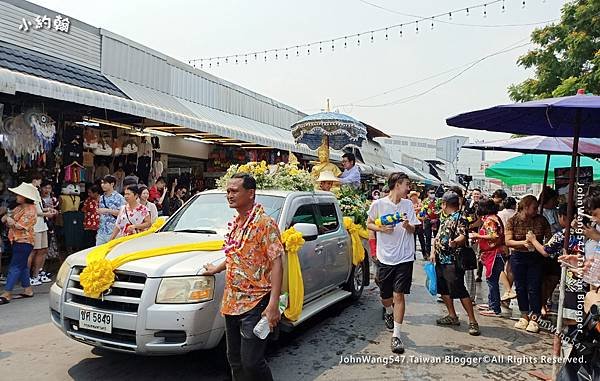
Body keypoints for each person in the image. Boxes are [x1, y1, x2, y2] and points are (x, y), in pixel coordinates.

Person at [202, 173, 284, 381]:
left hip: (256, 301)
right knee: (235, 360)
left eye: (234, 191)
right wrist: (217, 268)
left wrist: (273, 304)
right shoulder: (236, 223)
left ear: (250, 193)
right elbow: (236, 253)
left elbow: (277, 262)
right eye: (228, 191)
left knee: (252, 362)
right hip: (231, 301)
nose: (229, 195)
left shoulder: (265, 223)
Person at [367, 172, 420, 353]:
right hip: (385, 257)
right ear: (397, 184)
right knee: (386, 296)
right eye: (406, 184)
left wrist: (408, 226)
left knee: (399, 295)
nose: (408, 187)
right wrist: (381, 228)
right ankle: (388, 312)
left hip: (405, 257)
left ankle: (396, 336)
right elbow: (369, 224)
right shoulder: (379, 204)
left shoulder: (408, 205)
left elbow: (414, 228)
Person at [430, 191, 481, 336]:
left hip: (452, 260)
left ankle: (472, 321)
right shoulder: (445, 218)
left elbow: (462, 236)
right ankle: (452, 315)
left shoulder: (460, 218)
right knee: (444, 290)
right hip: (440, 259)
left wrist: (454, 242)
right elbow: (439, 235)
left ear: (445, 204)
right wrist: (433, 252)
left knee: (459, 290)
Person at [526, 203, 582, 322]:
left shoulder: (563, 234)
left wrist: (533, 239)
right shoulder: (586, 232)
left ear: (562, 216)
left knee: (571, 314)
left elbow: (545, 251)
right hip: (583, 275)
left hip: (572, 275)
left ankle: (569, 336)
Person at [505, 195, 551, 333]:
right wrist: (523, 243)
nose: (536, 210)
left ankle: (534, 317)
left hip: (536, 257)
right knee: (520, 287)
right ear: (525, 207)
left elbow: (549, 238)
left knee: (534, 286)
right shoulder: (513, 220)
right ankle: (524, 315)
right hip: (518, 256)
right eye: (534, 207)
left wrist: (541, 246)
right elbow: (508, 241)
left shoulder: (541, 220)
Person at [0, 183, 38, 304]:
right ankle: (28, 289)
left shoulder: (31, 210)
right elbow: (6, 218)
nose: (16, 196)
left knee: (15, 266)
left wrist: (9, 219)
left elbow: (19, 225)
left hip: (25, 241)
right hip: (17, 240)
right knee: (22, 266)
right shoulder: (20, 207)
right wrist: (8, 219)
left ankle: (7, 293)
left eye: (19, 195)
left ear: (25, 196)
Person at [470, 200, 505, 317]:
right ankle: (492, 304)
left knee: (492, 281)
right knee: (491, 280)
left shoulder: (490, 220)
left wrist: (477, 235)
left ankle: (495, 308)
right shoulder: (494, 218)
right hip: (495, 253)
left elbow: (493, 235)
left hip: (494, 254)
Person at [29, 173, 57, 286]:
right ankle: (29, 276)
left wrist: (48, 209)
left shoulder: (36, 192)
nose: (40, 184)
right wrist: (46, 213)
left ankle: (37, 274)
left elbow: (39, 208)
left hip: (42, 225)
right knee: (33, 251)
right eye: (40, 181)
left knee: (43, 250)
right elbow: (33, 210)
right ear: (35, 180)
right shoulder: (30, 192)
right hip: (35, 225)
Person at [96, 175, 126, 245]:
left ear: (112, 184)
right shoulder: (101, 197)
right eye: (102, 183)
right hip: (101, 231)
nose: (102, 185)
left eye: (105, 183)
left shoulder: (119, 197)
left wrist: (107, 210)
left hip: (114, 232)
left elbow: (123, 213)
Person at [498, 197, 517, 302]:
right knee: (510, 269)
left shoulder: (499, 214)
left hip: (502, 244)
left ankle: (508, 291)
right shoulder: (516, 215)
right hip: (514, 244)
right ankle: (507, 293)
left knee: (499, 267)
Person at [421, 188, 439, 258]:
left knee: (436, 238)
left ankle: (436, 253)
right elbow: (422, 211)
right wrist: (425, 216)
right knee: (428, 238)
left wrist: (436, 219)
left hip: (436, 221)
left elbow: (441, 211)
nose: (432, 194)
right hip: (428, 221)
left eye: (433, 192)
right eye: (431, 192)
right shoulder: (425, 201)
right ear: (428, 193)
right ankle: (427, 253)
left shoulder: (438, 201)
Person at [409, 190, 427, 259]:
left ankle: (424, 254)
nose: (414, 197)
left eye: (415, 196)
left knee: (422, 239)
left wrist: (416, 209)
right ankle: (413, 255)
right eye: (412, 196)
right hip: (413, 224)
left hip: (419, 224)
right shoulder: (409, 204)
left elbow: (423, 210)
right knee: (412, 240)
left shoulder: (420, 203)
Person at [82, 184, 100, 248]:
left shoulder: (103, 199)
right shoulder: (88, 200)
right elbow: (84, 211)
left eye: (90, 192)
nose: (88, 194)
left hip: (99, 225)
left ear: (96, 193)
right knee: (89, 242)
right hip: (89, 224)